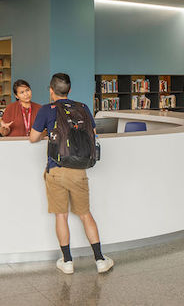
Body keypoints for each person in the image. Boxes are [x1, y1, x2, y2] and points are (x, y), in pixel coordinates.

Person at [30, 73, 113, 274]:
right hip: (79, 171)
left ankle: (67, 262)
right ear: (69, 90)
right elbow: (92, 134)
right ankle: (100, 259)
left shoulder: (46, 110)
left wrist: (45, 133)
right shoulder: (83, 108)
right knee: (85, 214)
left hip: (56, 170)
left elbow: (33, 138)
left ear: (51, 90)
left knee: (61, 215)